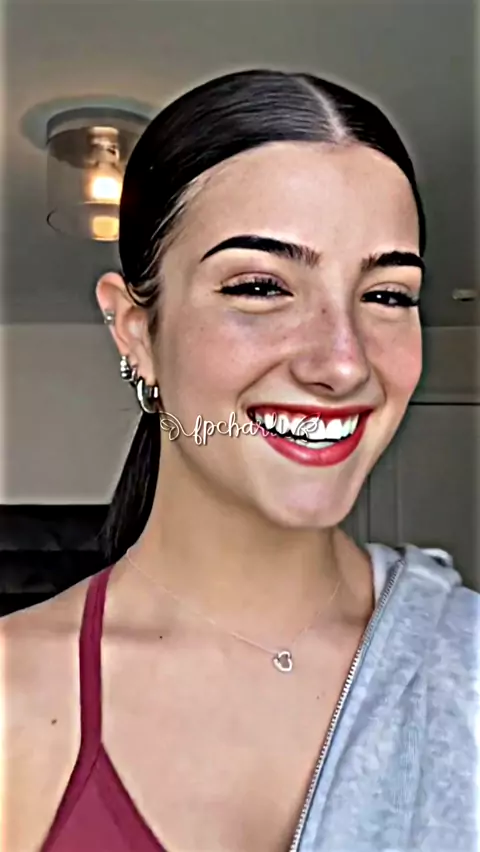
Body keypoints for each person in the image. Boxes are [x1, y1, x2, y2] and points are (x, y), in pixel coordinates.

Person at [1, 68, 478, 852]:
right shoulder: (12, 695)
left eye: (388, 295)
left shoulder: (465, 668)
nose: (344, 363)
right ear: (135, 331)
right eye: (260, 287)